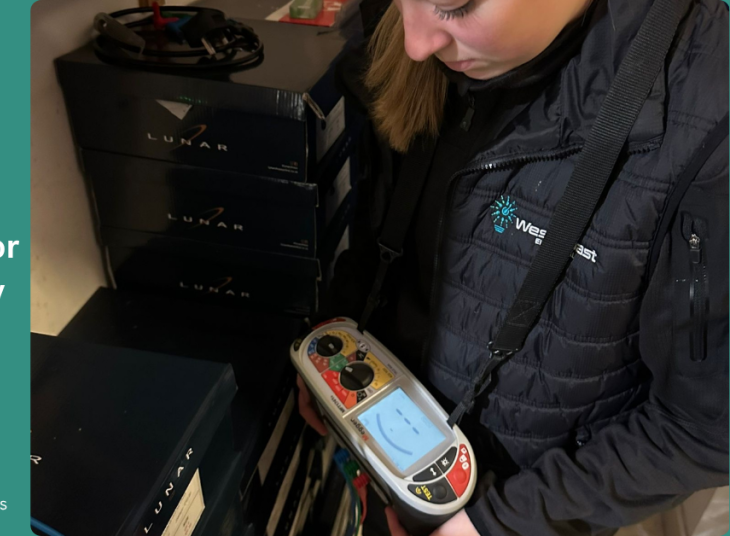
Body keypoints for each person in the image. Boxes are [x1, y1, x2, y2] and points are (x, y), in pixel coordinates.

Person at [298, 0, 730, 535]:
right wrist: (338, 336)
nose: (415, 43)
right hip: (391, 460)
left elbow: (703, 426)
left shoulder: (710, 106)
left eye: (455, 5)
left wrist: (501, 525)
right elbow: (382, 210)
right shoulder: (419, 36)